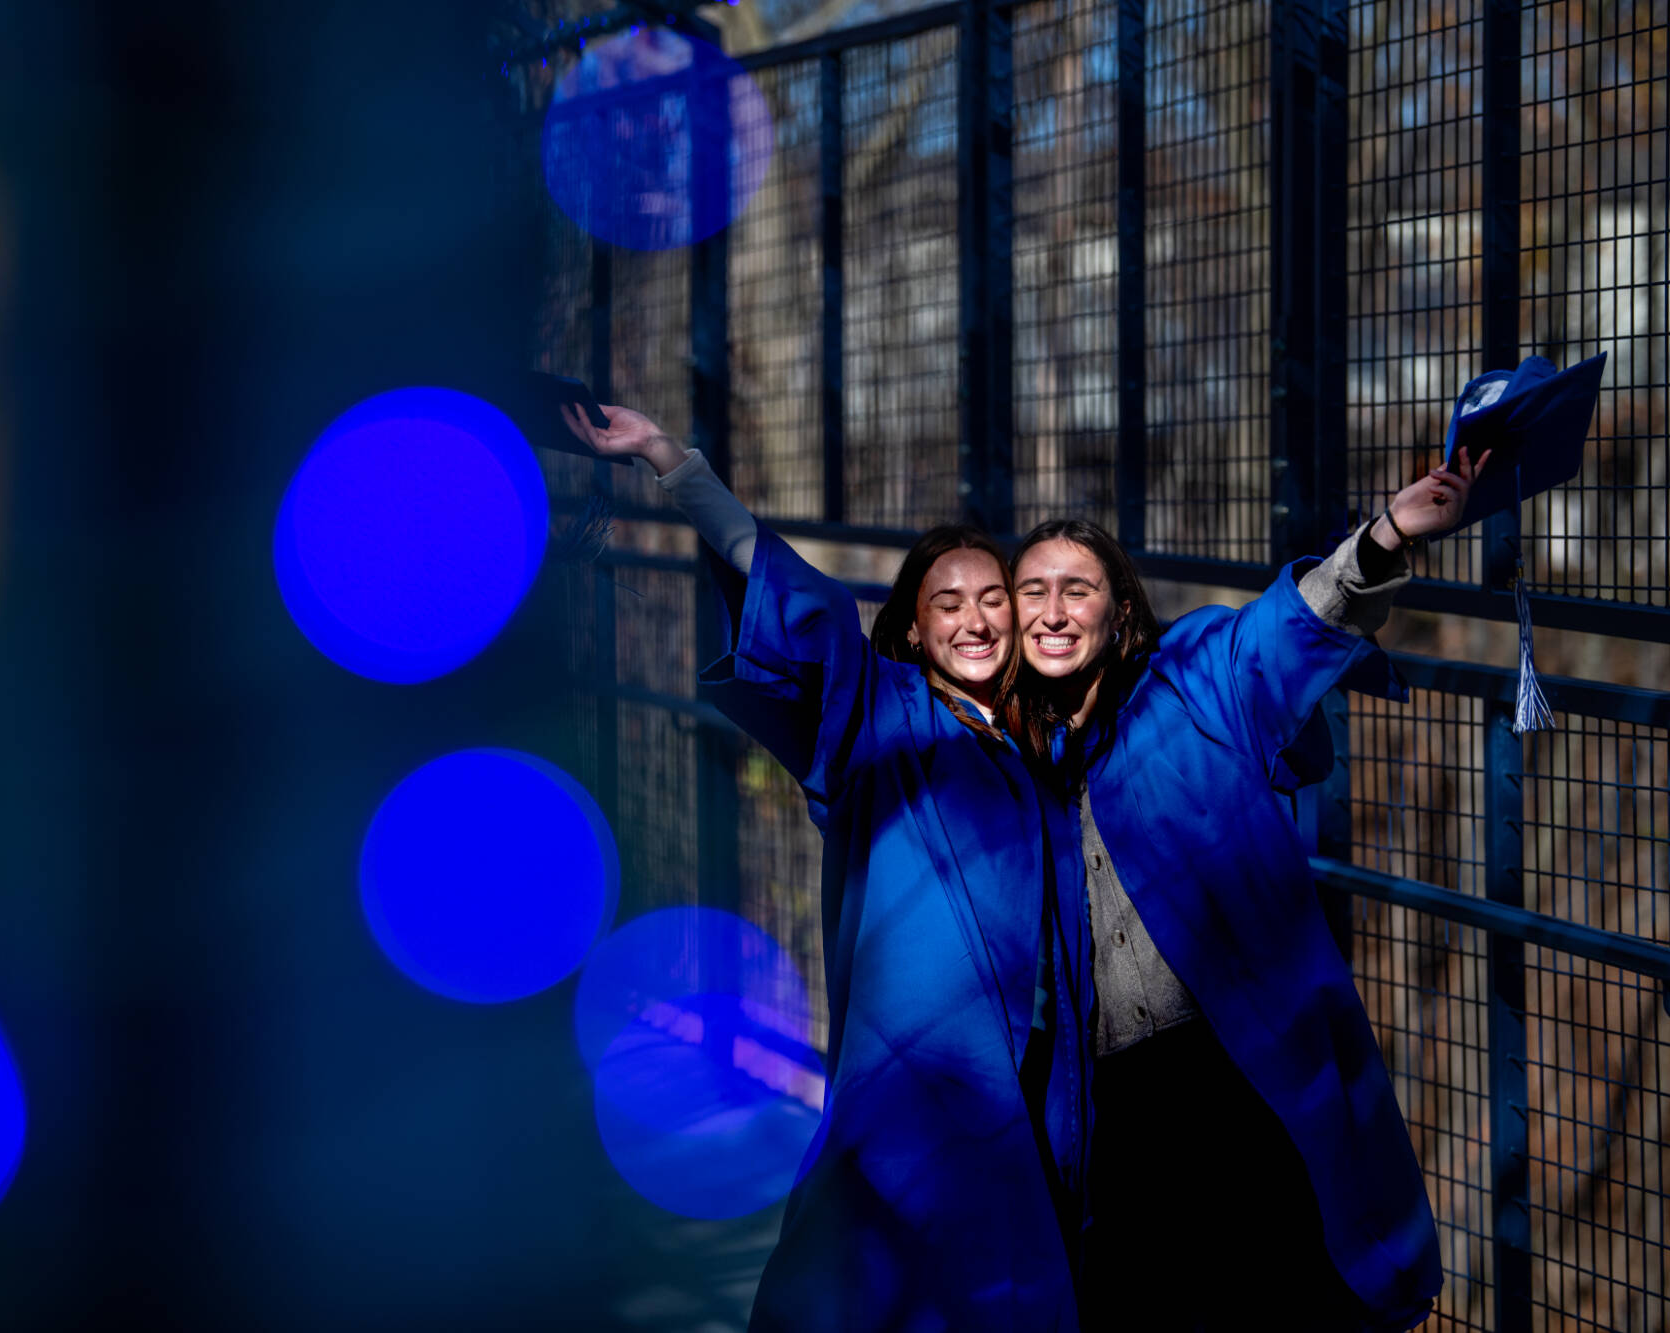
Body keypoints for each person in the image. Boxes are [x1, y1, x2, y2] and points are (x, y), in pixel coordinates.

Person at [560, 402, 1093, 1332]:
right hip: (914, 1080)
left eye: (993, 600)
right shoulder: (882, 716)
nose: (975, 623)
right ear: (915, 630)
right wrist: (674, 466)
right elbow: (802, 604)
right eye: (948, 605)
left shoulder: (1041, 742)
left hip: (1034, 1077)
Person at [1005, 453, 1489, 1332]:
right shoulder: (1007, 757)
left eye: (1077, 588)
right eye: (1032, 588)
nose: (1052, 608)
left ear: (1119, 615)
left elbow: (1281, 634)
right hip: (1113, 1104)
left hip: (1239, 1076)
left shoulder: (1195, 681)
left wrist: (1381, 538)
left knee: (1283, 1289)